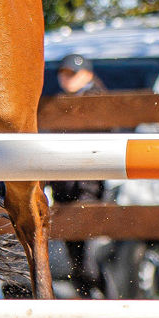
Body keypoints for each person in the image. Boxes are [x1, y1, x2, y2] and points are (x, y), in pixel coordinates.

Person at [49, 54, 107, 297]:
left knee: (90, 255)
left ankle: (102, 300)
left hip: (86, 186)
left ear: (88, 75)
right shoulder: (65, 102)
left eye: (72, 73)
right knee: (78, 255)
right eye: (64, 73)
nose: (66, 78)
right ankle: (91, 300)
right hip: (69, 187)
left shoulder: (93, 100)